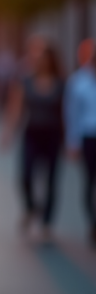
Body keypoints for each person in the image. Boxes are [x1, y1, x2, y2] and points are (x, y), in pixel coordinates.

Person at [1, 43, 65, 240]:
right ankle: (31, 208)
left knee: (51, 180)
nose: (40, 62)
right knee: (25, 176)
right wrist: (8, 133)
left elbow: (68, 112)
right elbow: (16, 108)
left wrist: (72, 140)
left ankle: (47, 223)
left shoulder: (61, 83)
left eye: (44, 58)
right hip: (32, 133)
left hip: (54, 134)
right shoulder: (25, 81)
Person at [65, 39, 96, 248]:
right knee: (90, 182)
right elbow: (72, 114)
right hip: (89, 136)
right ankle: (93, 223)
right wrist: (72, 142)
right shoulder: (78, 81)